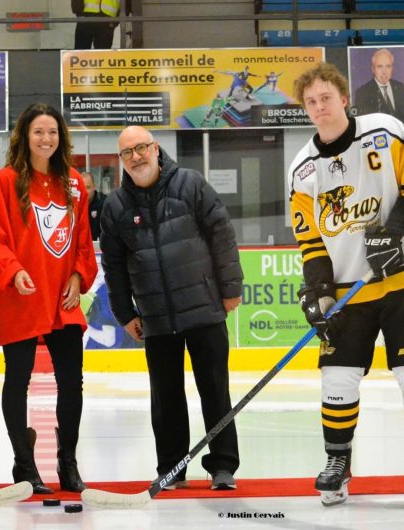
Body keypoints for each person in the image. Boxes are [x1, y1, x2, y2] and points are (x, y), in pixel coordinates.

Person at [289, 63, 404, 507]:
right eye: (311, 102)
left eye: (326, 98)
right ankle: (337, 463)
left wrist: (394, 233)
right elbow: (312, 242)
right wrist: (318, 291)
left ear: (342, 97)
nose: (320, 108)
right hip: (348, 291)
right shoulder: (302, 169)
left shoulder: (386, 130)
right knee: (337, 379)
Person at [99, 126, 243, 491]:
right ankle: (172, 467)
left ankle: (222, 465)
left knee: (214, 388)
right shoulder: (115, 206)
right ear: (122, 160)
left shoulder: (191, 184)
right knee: (165, 396)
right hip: (155, 317)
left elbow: (221, 234)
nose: (136, 156)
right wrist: (124, 313)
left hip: (204, 306)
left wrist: (230, 288)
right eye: (127, 152)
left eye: (142, 147)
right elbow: (113, 268)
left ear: (156, 148)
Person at [0, 102, 97, 494]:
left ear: (60, 138)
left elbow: (83, 240)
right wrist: (13, 271)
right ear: (24, 136)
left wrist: (80, 276)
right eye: (38, 132)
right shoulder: (5, 181)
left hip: (62, 299)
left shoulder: (74, 185)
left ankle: (68, 462)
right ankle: (24, 463)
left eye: (52, 132)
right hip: (21, 296)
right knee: (17, 379)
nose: (46, 139)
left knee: (72, 382)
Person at [354, 48, 404, 121]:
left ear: (392, 68)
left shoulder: (399, 87)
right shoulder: (362, 92)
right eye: (380, 66)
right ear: (373, 69)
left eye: (388, 66)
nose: (384, 71)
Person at [80, 171, 105, 241]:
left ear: (94, 187)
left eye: (88, 187)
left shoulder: (103, 204)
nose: (85, 191)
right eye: (82, 187)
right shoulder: (75, 205)